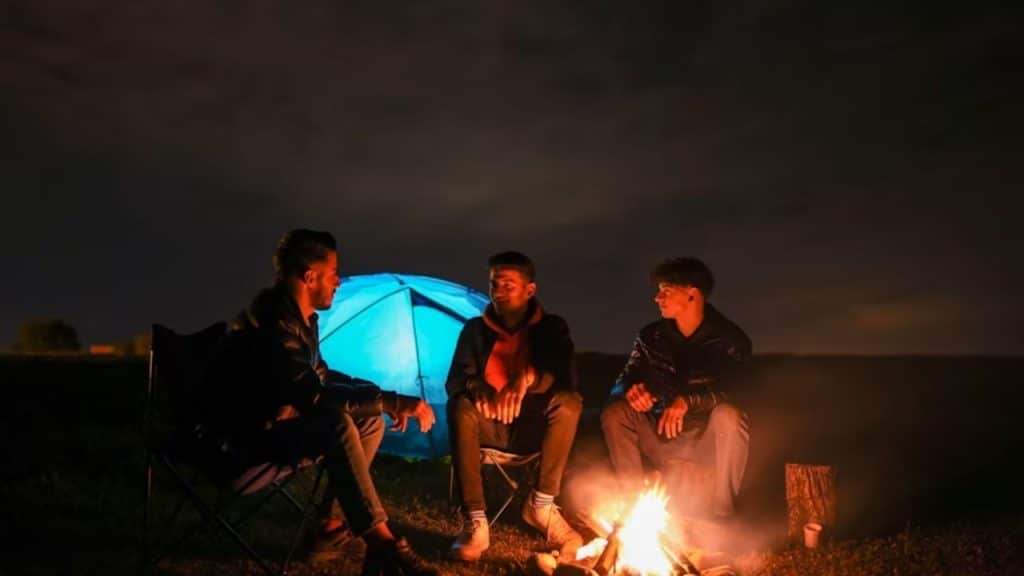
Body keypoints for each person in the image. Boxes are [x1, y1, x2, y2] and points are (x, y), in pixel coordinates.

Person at [211, 229, 437, 575]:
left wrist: (383, 399)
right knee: (335, 424)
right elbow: (313, 397)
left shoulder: (299, 319)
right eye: (333, 273)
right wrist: (391, 402)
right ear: (309, 277)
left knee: (368, 420)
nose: (338, 282)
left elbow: (321, 377)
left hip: (277, 426)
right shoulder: (275, 326)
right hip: (245, 443)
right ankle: (383, 545)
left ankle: (328, 528)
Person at [446, 251, 584, 561]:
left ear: (529, 290)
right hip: (487, 425)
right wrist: (477, 387)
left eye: (508, 285)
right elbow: (455, 379)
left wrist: (528, 378)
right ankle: (475, 521)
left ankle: (541, 505)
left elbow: (565, 379)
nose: (498, 292)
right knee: (459, 404)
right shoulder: (475, 330)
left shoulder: (552, 328)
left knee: (569, 403)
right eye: (494, 284)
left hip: (530, 429)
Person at [601, 257, 752, 521]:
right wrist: (630, 390)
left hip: (705, 441)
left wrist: (688, 400)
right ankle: (632, 505)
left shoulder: (730, 339)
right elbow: (622, 381)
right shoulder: (651, 337)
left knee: (729, 415)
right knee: (615, 413)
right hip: (661, 437)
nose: (657, 298)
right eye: (659, 291)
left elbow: (738, 390)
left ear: (692, 294)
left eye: (666, 291)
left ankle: (722, 512)